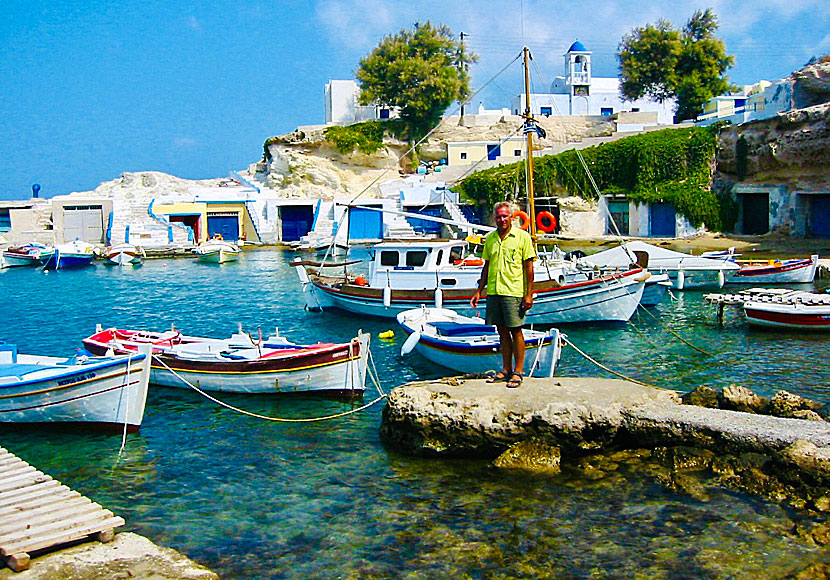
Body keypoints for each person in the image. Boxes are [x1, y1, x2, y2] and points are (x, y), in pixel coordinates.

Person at [470, 201, 536, 388]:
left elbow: (529, 269)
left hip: (513, 291)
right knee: (501, 331)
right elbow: (487, 266)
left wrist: (528, 294)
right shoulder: (490, 239)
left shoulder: (522, 238)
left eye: (505, 216)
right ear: (494, 218)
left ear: (511, 217)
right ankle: (506, 369)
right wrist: (479, 291)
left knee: (516, 330)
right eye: (498, 216)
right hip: (495, 291)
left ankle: (519, 371)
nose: (502, 219)